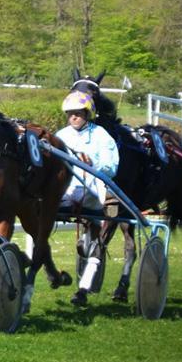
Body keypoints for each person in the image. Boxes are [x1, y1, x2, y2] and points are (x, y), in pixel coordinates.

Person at [56, 90, 120, 307]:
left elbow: (111, 166)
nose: (73, 117)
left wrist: (92, 163)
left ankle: (84, 287)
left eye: (78, 113)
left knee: (93, 242)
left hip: (94, 190)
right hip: (66, 190)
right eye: (70, 113)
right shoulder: (61, 136)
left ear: (88, 113)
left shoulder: (102, 135)